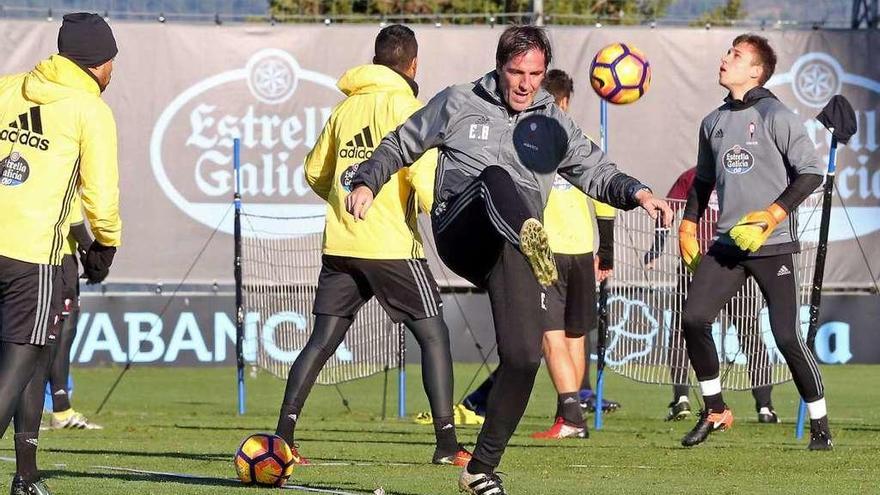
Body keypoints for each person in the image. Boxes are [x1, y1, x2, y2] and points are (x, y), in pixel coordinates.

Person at [346, 26, 672, 494]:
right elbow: (401, 142)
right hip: (462, 227)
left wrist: (638, 192)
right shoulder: (458, 101)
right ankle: (530, 234)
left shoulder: (552, 121)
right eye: (516, 72)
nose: (525, 84)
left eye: (535, 74)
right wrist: (367, 180)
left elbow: (593, 168)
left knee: (522, 357)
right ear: (499, 67)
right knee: (496, 176)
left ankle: (480, 468)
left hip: (514, 248)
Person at [272, 24, 471, 467]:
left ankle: (283, 437)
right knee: (433, 335)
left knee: (321, 341)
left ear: (375, 60)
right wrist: (435, 209)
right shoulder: (408, 105)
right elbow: (424, 178)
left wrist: (342, 202)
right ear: (414, 64)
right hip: (390, 245)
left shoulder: (346, 109)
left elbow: (314, 172)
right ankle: (446, 443)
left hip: (341, 242)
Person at [677, 34, 830, 450]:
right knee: (693, 318)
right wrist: (688, 226)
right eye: (728, 52)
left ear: (756, 71)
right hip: (728, 245)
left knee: (786, 337)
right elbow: (703, 182)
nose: (725, 59)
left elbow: (811, 173)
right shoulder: (712, 121)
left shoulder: (776, 115)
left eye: (736, 55)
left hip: (773, 244)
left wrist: (772, 215)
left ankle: (820, 426)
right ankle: (715, 409)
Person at [460, 70, 621, 441]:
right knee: (575, 335)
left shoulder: (526, 139)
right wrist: (607, 251)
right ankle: (575, 409)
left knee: (550, 336)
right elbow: (605, 201)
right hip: (583, 249)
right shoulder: (583, 142)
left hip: (547, 250)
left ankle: (570, 416)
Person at [0, 12, 122, 494]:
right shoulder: (89, 110)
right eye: (113, 61)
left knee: (32, 361)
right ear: (100, 63)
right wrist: (106, 244)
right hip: (34, 256)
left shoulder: (8, 87)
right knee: (21, 361)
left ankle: (26, 476)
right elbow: (102, 194)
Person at [645, 167, 777, 424]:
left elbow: (667, 215)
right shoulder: (726, 175)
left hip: (710, 262)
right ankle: (763, 407)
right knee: (747, 334)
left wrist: (656, 249)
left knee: (690, 331)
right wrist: (656, 249)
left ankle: (685, 399)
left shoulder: (695, 175)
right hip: (725, 263)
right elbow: (669, 212)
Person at [46, 196, 104, 430]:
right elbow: (69, 211)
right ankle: (60, 410)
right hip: (57, 257)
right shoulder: (65, 161)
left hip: (33, 253)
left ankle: (58, 408)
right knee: (58, 335)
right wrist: (92, 251)